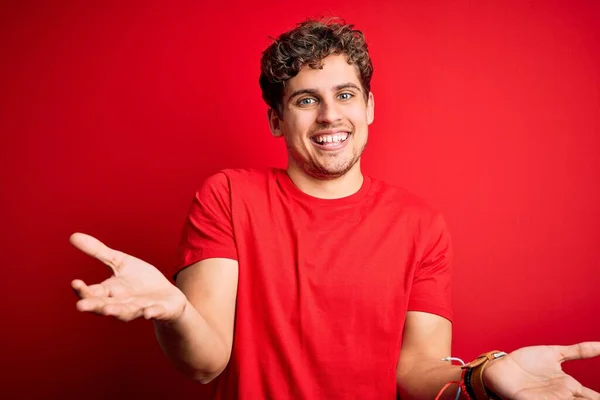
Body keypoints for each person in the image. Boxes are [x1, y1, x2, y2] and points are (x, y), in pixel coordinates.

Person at [70, 18, 600, 400]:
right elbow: (205, 366)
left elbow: (416, 372)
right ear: (277, 120)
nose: (329, 116)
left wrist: (483, 379)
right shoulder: (228, 195)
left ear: (368, 107)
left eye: (345, 95)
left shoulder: (420, 224)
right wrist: (177, 311)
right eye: (305, 100)